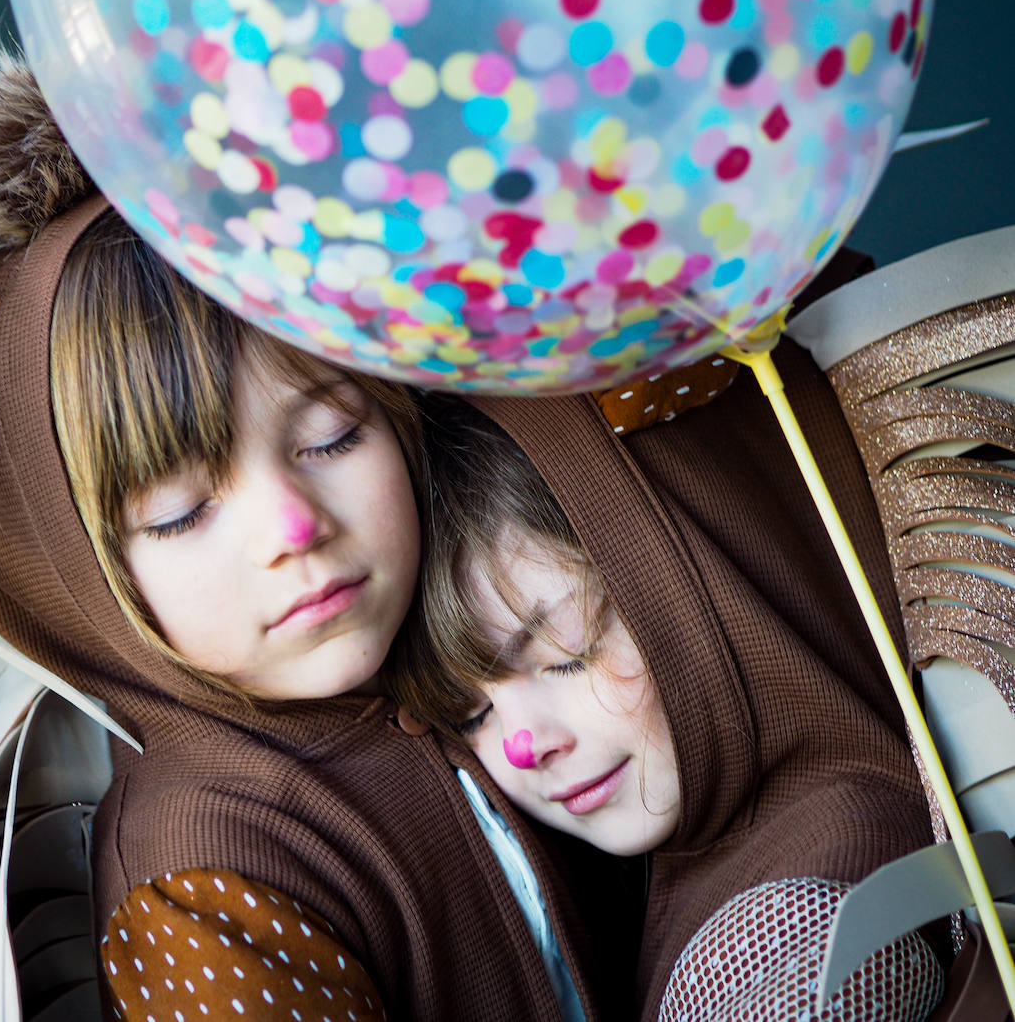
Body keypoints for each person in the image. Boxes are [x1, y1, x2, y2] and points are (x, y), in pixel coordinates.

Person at [0, 53, 599, 1020]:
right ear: (83, 572)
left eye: (333, 435)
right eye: (181, 511)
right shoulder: (202, 886)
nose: (295, 527)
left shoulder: (489, 637)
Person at [393, 392, 947, 1021]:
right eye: (470, 716)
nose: (524, 745)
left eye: (567, 654)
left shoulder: (813, 910)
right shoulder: (669, 883)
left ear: (699, 585)